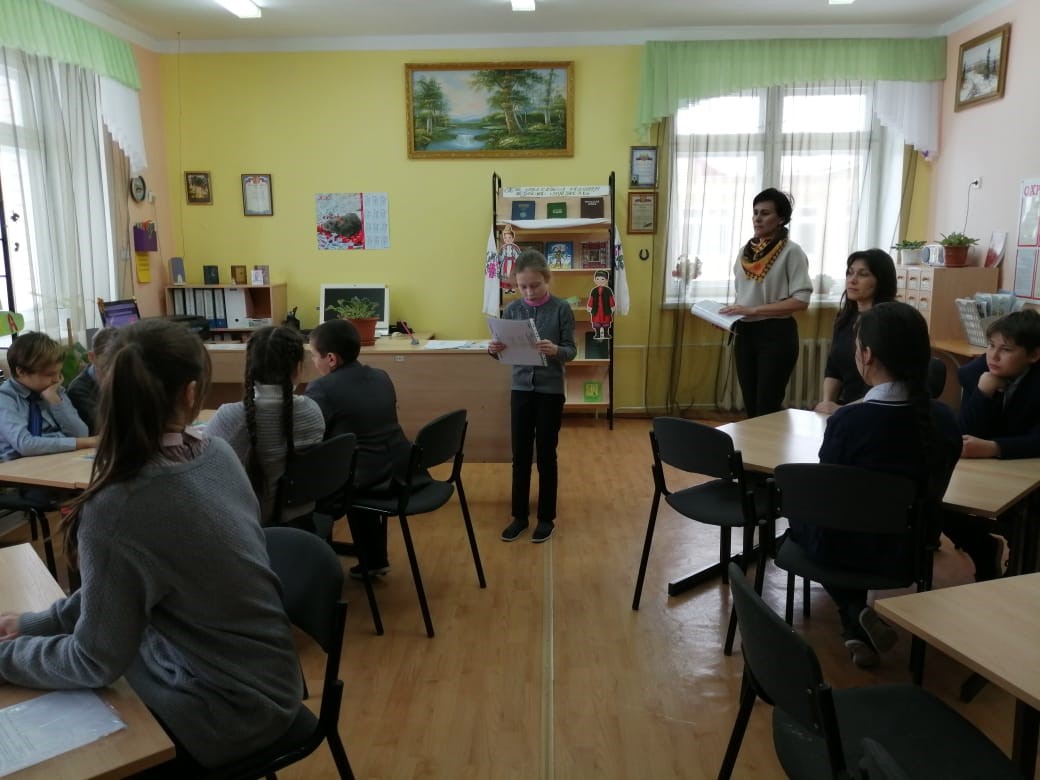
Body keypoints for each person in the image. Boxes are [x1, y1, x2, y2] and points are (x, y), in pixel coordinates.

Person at [0, 319, 301, 773]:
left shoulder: (120, 504)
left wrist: (5, 655)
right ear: (190, 393)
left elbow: (92, 661)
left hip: (228, 714)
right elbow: (119, 588)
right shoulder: (217, 454)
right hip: (269, 681)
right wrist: (34, 623)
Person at [786, 302, 961, 669]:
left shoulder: (849, 421)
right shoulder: (944, 419)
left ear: (866, 355)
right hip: (909, 548)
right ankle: (853, 622)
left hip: (845, 545)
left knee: (797, 514)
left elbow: (829, 492)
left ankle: (852, 612)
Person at [305, 318, 414, 578]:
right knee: (356, 459)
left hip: (363, 479)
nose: (313, 362)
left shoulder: (322, 388)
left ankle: (315, 568)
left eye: (314, 356)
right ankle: (374, 560)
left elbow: (309, 434)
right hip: (399, 470)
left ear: (331, 358)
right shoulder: (381, 376)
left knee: (302, 486)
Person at [943, 308, 1040, 580]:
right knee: (938, 498)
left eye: (1006, 350)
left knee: (1029, 512)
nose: (993, 356)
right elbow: (965, 431)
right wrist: (983, 392)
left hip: (1027, 471)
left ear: (1034, 355)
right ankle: (983, 548)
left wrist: (995, 447)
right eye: (991, 346)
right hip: (985, 471)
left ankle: (1019, 576)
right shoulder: (979, 373)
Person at [489, 249, 576, 543]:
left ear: (547, 280)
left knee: (546, 455)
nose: (528, 291)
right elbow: (502, 352)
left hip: (550, 392)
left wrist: (556, 350)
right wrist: (494, 350)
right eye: (523, 286)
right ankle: (519, 516)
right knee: (521, 455)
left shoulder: (561, 308)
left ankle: (546, 518)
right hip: (520, 391)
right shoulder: (512, 310)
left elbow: (571, 351)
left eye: (535, 285)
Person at [207, 325, 325, 526]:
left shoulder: (230, 416)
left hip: (246, 524)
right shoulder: (312, 411)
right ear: (298, 368)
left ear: (249, 368)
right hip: (301, 520)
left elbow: (206, 467)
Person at [719, 188, 813, 418]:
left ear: (781, 219)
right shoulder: (745, 252)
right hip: (744, 332)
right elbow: (744, 296)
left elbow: (801, 300)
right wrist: (726, 317)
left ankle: (771, 443)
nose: (757, 218)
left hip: (776, 333)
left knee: (767, 405)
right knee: (751, 405)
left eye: (765, 213)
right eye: (755, 213)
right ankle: (753, 444)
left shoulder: (792, 251)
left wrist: (753, 310)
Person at [815, 249, 897, 414]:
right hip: (846, 407)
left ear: (881, 281)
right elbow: (834, 368)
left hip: (880, 408)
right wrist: (827, 403)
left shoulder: (891, 321)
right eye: (850, 273)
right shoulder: (844, 317)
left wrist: (841, 410)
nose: (852, 280)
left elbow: (890, 386)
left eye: (863, 274)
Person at [0, 331, 94, 462]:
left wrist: (55, 401)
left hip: (56, 461)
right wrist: (68, 439)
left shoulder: (53, 389)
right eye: (49, 374)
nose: (57, 379)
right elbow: (26, 445)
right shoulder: (5, 398)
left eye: (58, 372)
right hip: (17, 468)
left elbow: (80, 433)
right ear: (21, 371)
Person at [66, 326, 120, 434]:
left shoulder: (127, 375)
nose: (115, 366)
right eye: (108, 360)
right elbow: (103, 426)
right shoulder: (77, 390)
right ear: (92, 357)